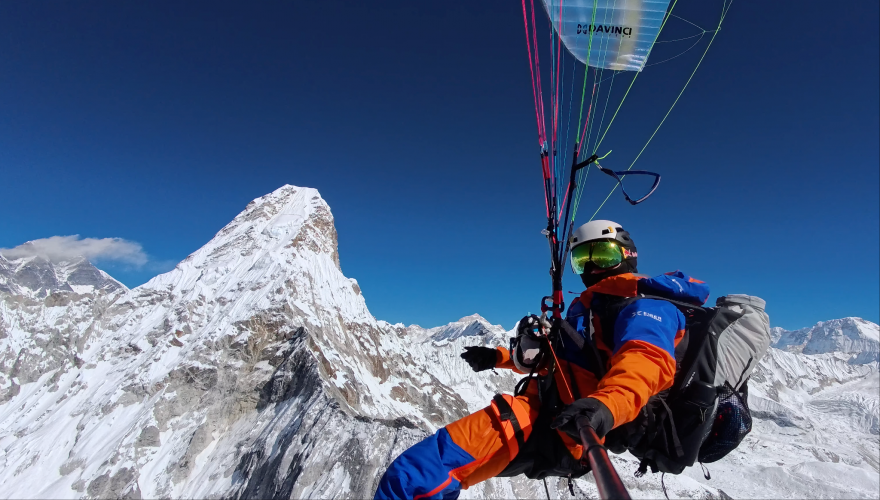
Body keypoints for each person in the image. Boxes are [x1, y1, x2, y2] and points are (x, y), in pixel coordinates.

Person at [374, 220, 710, 500]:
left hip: (563, 429)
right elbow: (562, 361)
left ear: (628, 255)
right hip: (550, 412)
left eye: (603, 254)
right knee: (413, 476)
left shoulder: (647, 307)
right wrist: (499, 357)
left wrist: (604, 407)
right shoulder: (594, 308)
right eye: (582, 258)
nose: (592, 266)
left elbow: (644, 365)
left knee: (414, 478)